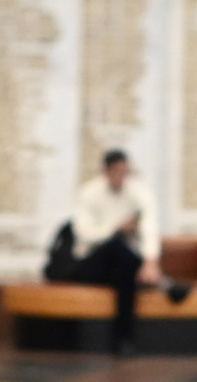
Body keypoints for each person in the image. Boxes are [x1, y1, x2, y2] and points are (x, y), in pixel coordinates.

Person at [66, 148, 164, 354]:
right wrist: (116, 229)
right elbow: (84, 234)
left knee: (126, 268)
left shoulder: (139, 193)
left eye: (125, 172)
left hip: (122, 268)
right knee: (118, 248)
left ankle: (123, 340)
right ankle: (164, 284)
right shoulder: (88, 193)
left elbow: (149, 228)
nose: (121, 177)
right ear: (106, 171)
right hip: (91, 263)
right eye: (117, 171)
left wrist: (151, 262)